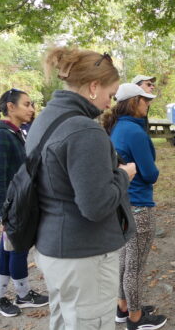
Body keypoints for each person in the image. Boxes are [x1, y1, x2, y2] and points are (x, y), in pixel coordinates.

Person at [27, 47, 137, 330]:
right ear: (93, 86)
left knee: (64, 321)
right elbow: (96, 205)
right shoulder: (85, 131)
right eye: (110, 95)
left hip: (55, 249)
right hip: (84, 257)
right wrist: (124, 176)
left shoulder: (45, 120)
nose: (109, 104)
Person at [102, 83, 167, 330]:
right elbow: (150, 174)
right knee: (135, 266)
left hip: (123, 203)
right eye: (145, 99)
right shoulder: (135, 132)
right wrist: (153, 168)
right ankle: (136, 318)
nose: (148, 103)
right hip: (139, 203)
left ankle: (123, 307)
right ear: (133, 102)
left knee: (125, 260)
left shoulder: (117, 128)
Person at [0, 89, 48, 317]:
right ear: (11, 107)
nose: (32, 109)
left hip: (19, 202)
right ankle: (11, 296)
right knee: (16, 249)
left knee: (11, 249)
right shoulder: (0, 135)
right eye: (27, 104)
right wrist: (2, 213)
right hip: (12, 206)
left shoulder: (15, 132)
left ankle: (8, 296)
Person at [132, 74, 166, 239]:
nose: (152, 86)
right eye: (148, 84)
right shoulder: (131, 112)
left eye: (152, 84)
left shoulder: (143, 109)